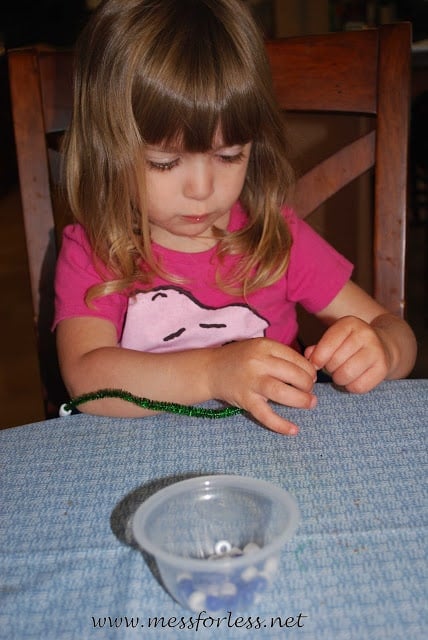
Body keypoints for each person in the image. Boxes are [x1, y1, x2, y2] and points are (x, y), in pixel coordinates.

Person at [54, 0, 417, 435]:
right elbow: (85, 380)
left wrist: (381, 349)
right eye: (165, 162)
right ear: (107, 151)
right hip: (133, 457)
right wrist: (212, 372)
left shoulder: (274, 236)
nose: (202, 189)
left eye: (229, 156)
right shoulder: (94, 250)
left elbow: (394, 330)